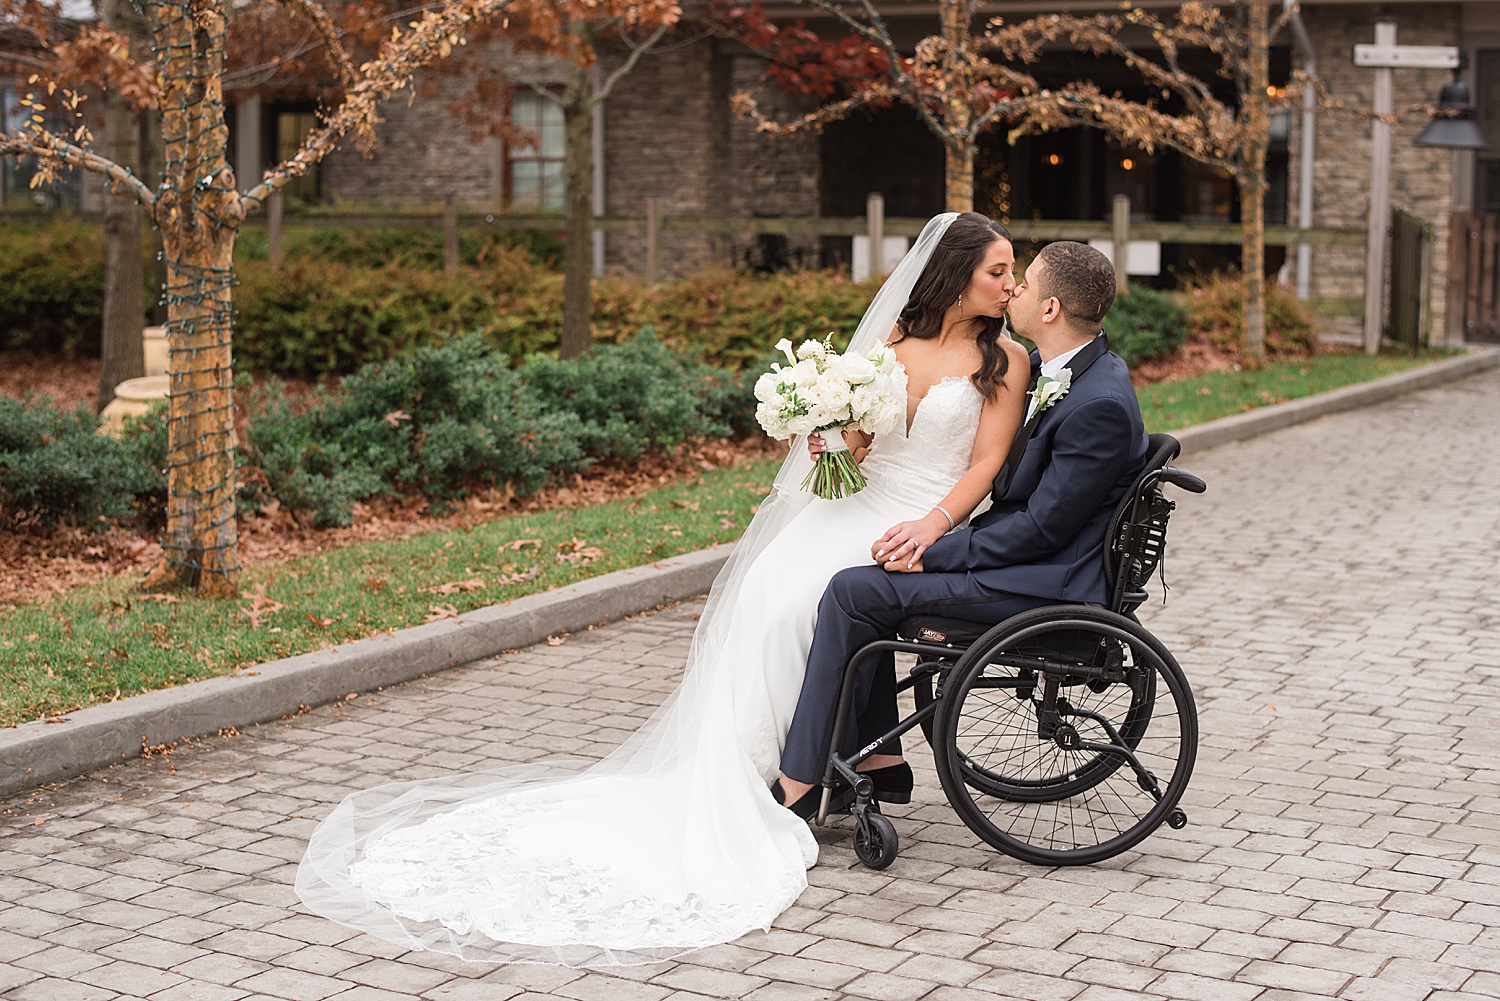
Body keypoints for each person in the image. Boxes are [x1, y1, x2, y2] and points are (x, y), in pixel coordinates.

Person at [294, 212, 1028, 967]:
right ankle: (772, 764)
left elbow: (984, 465)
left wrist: (932, 524)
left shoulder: (1005, 359)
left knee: (809, 599)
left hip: (922, 514)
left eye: (1014, 273)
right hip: (857, 503)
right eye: (998, 271)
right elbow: (860, 442)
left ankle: (808, 770)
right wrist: (830, 436)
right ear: (953, 271)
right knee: (768, 594)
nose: (1011, 285)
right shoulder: (889, 347)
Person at [772, 241, 1151, 819]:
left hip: (1046, 584)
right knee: (866, 585)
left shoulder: (1096, 401)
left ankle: (798, 784)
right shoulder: (1082, 374)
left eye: (1023, 282)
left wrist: (939, 551)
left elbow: (1042, 529)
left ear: (1049, 309)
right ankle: (877, 764)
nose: (1013, 289)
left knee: (855, 591)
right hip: (1036, 565)